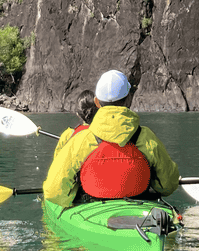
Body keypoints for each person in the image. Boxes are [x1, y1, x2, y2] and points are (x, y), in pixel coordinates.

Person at [42, 70, 180, 209]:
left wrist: (74, 195)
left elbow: (54, 192)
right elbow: (168, 185)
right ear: (129, 99)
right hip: (140, 207)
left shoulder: (81, 140)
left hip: (91, 208)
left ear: (96, 102)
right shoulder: (146, 137)